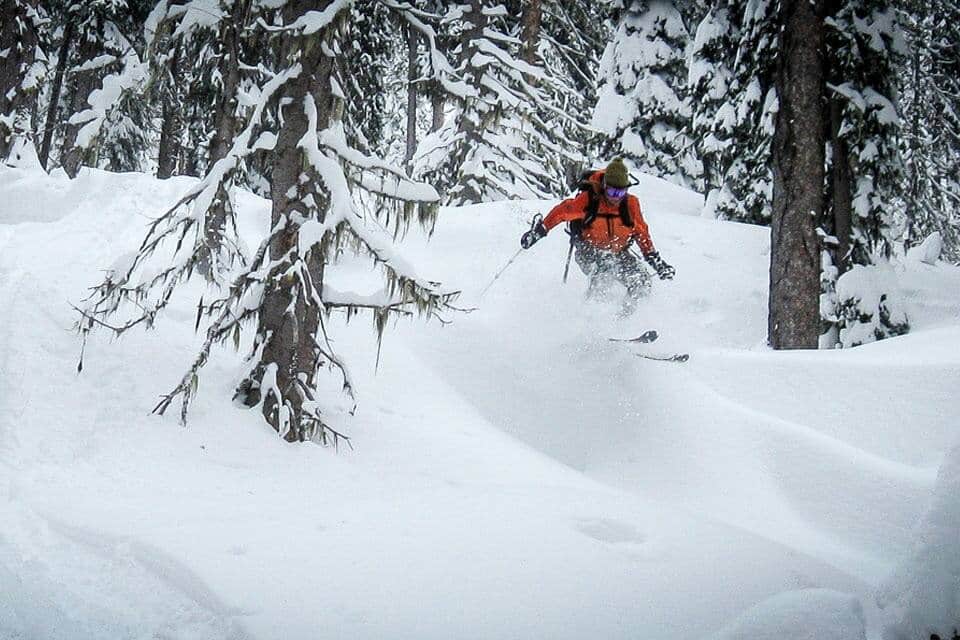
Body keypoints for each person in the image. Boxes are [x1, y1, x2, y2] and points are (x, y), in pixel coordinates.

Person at [520, 157, 675, 315]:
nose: (616, 197)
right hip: (588, 250)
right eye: (612, 191)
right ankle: (588, 322)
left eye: (621, 192)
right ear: (604, 186)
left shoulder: (631, 205)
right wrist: (539, 232)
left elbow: (642, 234)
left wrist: (656, 262)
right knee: (604, 275)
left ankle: (622, 322)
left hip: (619, 252)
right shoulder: (589, 201)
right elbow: (562, 212)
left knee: (641, 281)